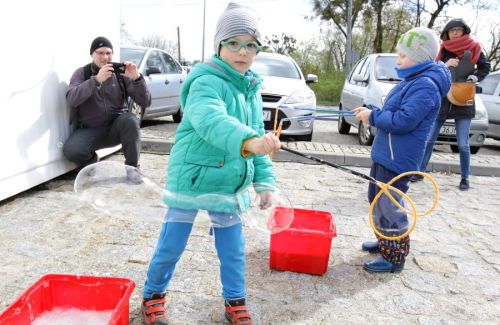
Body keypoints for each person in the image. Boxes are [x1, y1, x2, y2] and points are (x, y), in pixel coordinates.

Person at [141, 3, 281, 325]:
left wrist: (264, 182)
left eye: (250, 45)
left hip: (228, 185)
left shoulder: (251, 89)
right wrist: (250, 142)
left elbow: (259, 136)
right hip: (191, 178)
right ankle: (153, 294)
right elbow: (211, 121)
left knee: (233, 250)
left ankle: (235, 300)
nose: (242, 52)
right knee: (171, 245)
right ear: (219, 46)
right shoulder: (204, 81)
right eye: (234, 42)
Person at [353, 27, 451, 273]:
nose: (398, 61)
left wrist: (373, 117)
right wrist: (373, 110)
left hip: (398, 159)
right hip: (387, 153)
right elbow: (394, 111)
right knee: (376, 198)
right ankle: (384, 241)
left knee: (389, 205)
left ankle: (395, 257)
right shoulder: (413, 80)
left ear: (420, 58)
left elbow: (404, 121)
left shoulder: (426, 85)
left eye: (402, 56)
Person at [413, 18, 490, 190]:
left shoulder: (475, 47)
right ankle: (419, 171)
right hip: (442, 99)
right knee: (429, 139)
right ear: (446, 32)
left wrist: (475, 77)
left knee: (463, 143)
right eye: (452, 30)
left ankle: (465, 178)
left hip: (463, 99)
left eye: (458, 29)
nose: (455, 32)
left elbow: (485, 66)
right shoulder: (442, 49)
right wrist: (445, 65)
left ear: (464, 31)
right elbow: (431, 69)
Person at [63, 36, 151, 174]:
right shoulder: (82, 73)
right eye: (100, 53)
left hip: (116, 128)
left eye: (108, 53)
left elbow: (145, 102)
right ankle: (93, 164)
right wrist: (96, 81)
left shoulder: (121, 74)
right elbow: (72, 99)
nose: (105, 57)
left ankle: (133, 170)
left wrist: (137, 79)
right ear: (92, 54)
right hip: (90, 129)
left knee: (130, 120)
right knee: (71, 150)